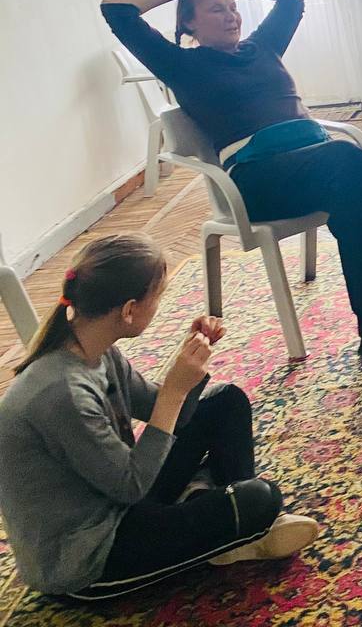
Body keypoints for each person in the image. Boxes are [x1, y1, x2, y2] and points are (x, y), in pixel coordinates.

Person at [101, 0, 362, 364]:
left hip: (317, 168)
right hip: (257, 179)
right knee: (347, 158)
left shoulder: (262, 46)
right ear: (190, 23)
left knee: (357, 209)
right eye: (217, 9)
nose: (231, 15)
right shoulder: (179, 63)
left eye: (233, 7)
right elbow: (115, 9)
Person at [0, 234, 318, 600]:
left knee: (226, 401)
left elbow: (162, 412)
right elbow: (132, 484)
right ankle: (231, 521)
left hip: (116, 498)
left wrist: (186, 365)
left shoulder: (96, 351)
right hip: (87, 555)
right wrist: (174, 391)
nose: (159, 306)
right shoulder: (62, 393)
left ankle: (229, 525)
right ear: (129, 310)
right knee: (261, 499)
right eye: (158, 297)